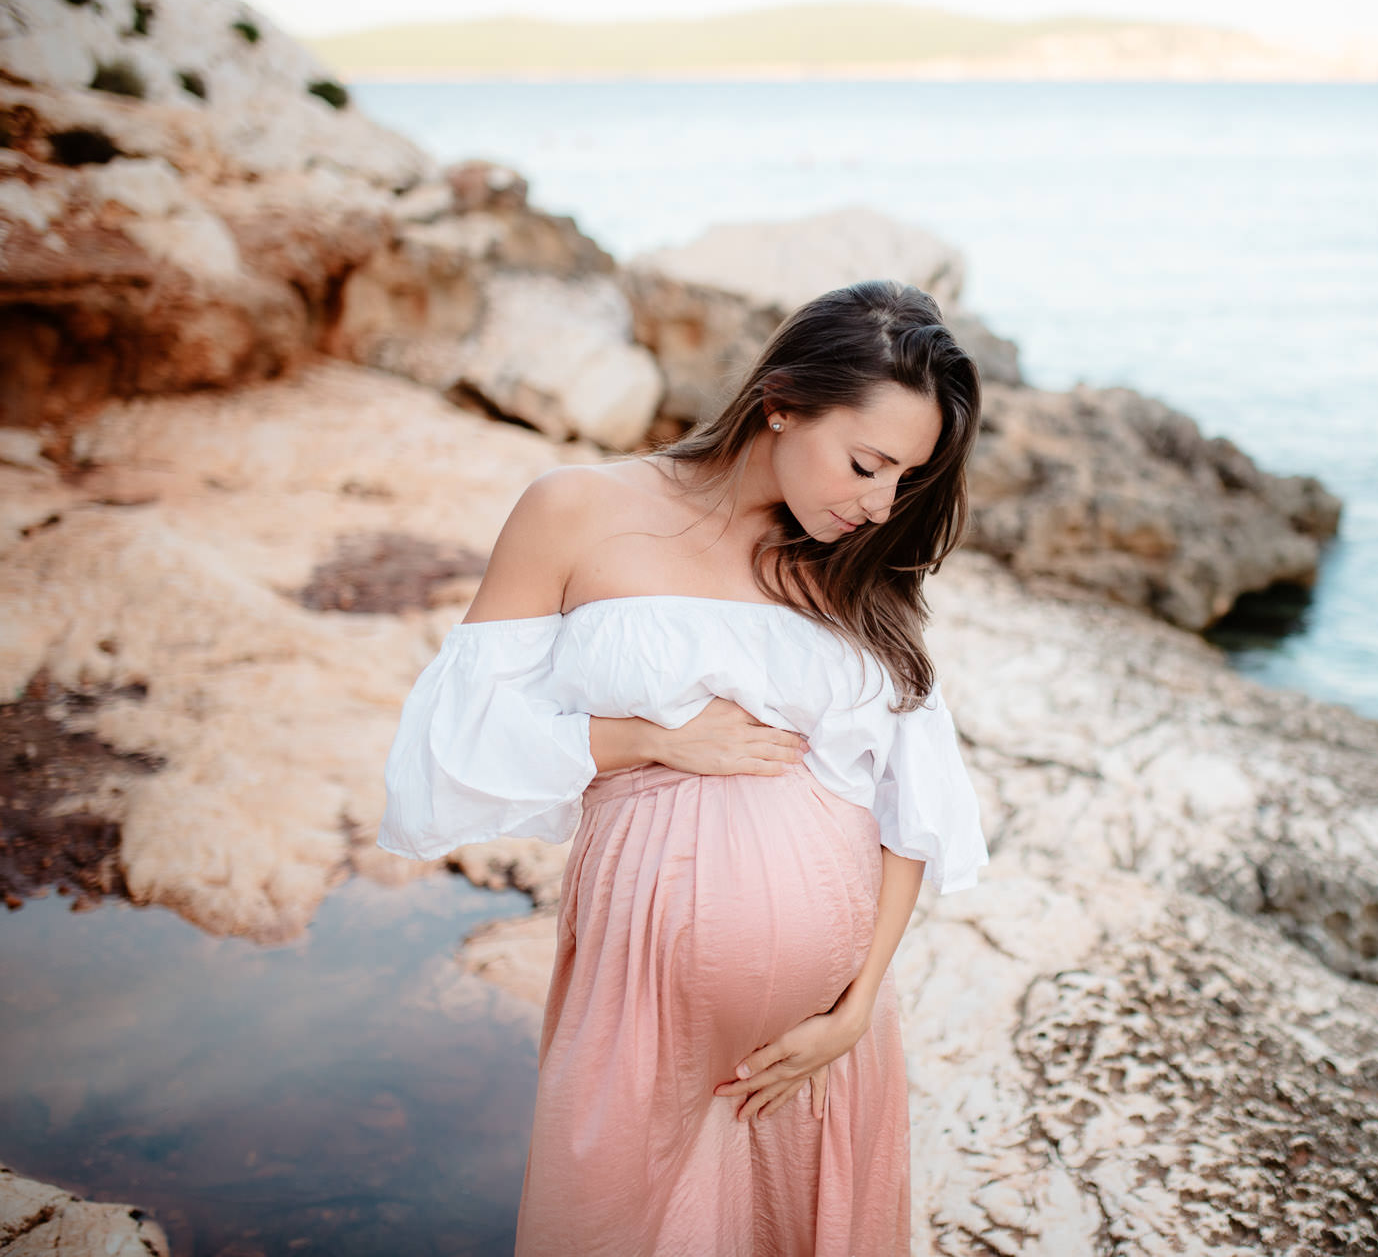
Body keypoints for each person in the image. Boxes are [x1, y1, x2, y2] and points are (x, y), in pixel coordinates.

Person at [376, 279, 990, 1255]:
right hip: (642, 996)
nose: (878, 504)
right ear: (780, 400)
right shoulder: (576, 509)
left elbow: (906, 803)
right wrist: (649, 739)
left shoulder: (854, 574)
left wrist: (857, 1003)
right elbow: (454, 744)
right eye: (867, 463)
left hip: (820, 1038)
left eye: (902, 481)